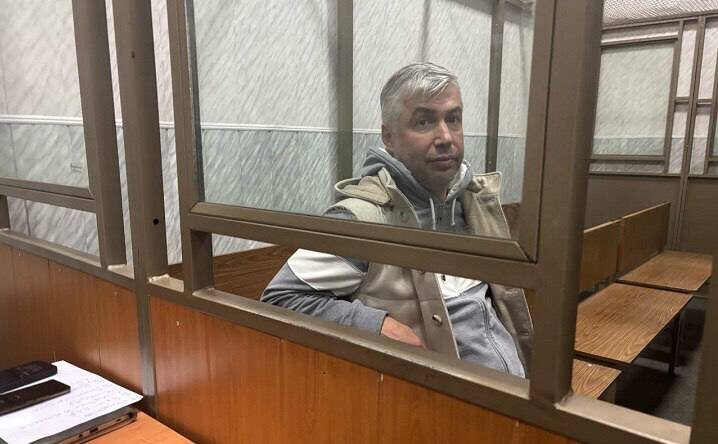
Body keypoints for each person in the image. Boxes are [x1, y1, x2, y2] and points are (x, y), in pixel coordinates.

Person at [261, 63, 532, 377]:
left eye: (453, 119)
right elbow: (279, 299)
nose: (445, 136)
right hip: (434, 400)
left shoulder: (474, 200)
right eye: (424, 122)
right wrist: (375, 325)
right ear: (388, 137)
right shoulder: (363, 220)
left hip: (515, 389)